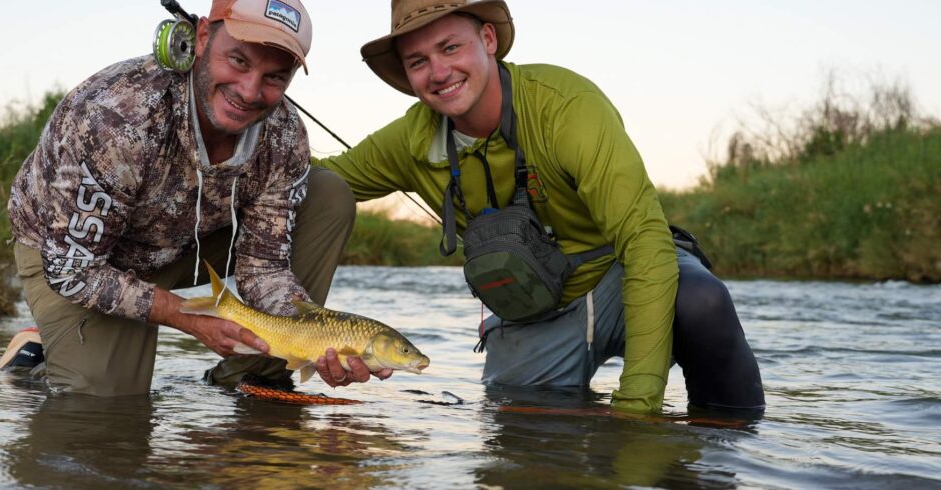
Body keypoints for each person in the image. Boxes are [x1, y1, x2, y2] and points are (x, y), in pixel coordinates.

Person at [313, 0, 765, 413]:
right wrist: (249, 121)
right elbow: (314, 184)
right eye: (418, 61)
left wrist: (637, 407)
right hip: (532, 311)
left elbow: (644, 240)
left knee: (703, 302)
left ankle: (728, 454)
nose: (438, 71)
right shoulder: (408, 140)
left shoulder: (567, 107)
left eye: (451, 47)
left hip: (620, 282)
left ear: (488, 40)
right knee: (525, 444)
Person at [2, 0, 382, 395]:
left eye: (275, 77)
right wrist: (187, 318)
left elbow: (265, 267)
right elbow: (72, 269)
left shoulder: (285, 136)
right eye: (238, 61)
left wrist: (314, 338)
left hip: (186, 242)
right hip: (79, 256)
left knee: (328, 195)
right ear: (201, 37)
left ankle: (251, 373)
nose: (250, 91)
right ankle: (40, 353)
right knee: (103, 404)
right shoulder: (116, 119)